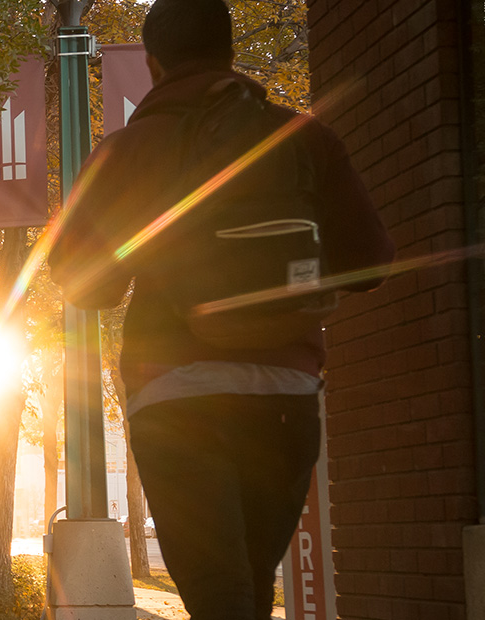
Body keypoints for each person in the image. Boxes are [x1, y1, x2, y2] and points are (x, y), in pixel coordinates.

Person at [48, 1, 393, 618]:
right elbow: (372, 255)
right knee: (250, 587)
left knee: (220, 594)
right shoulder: (304, 135)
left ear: (152, 63)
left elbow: (84, 284)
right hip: (285, 395)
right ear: (230, 51)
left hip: (175, 397)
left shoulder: (124, 152)